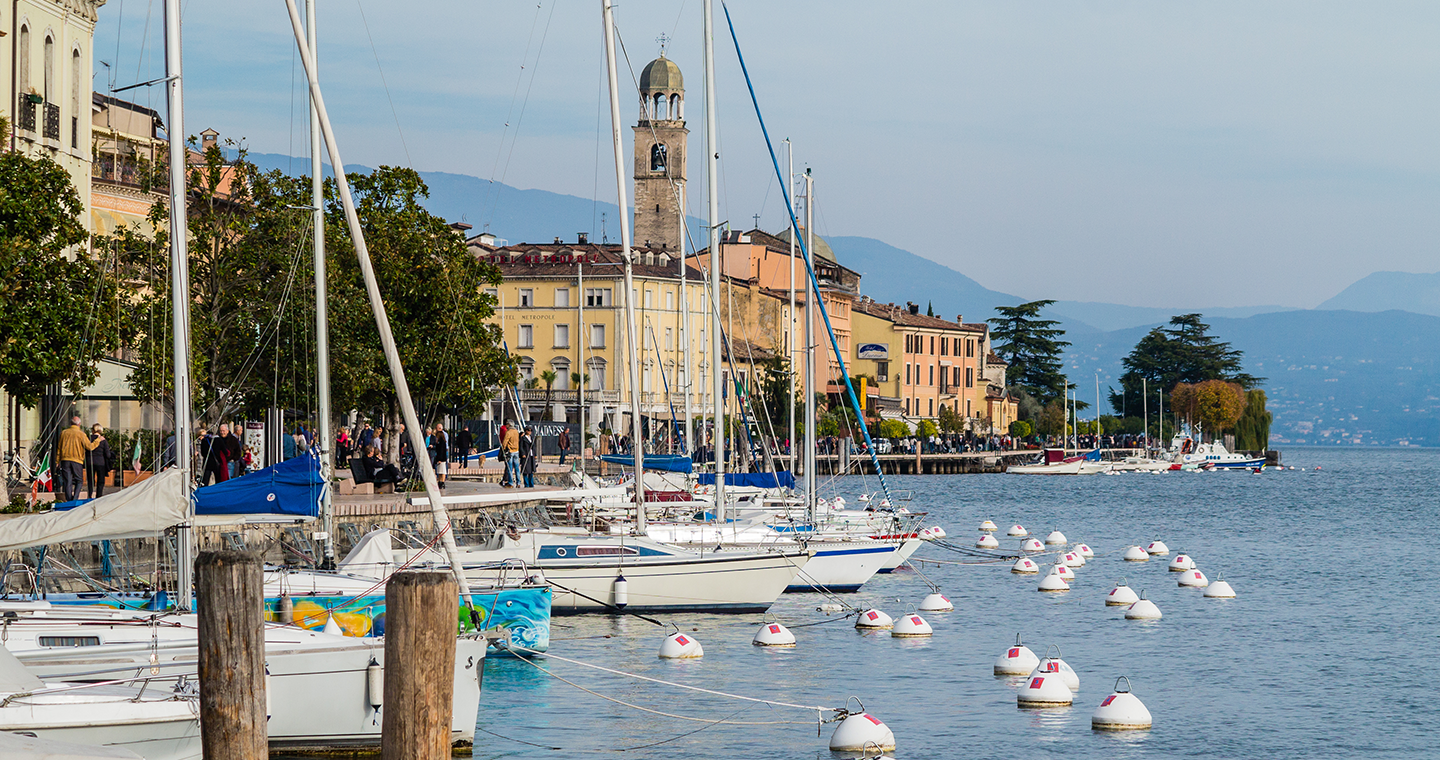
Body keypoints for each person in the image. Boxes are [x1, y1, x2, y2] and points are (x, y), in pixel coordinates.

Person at [57, 415, 102, 502]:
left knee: (68, 481)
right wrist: (98, 440)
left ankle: (69, 500)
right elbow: (90, 447)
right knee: (79, 481)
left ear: (71, 423)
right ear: (79, 424)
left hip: (65, 459)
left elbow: (59, 448)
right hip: (77, 460)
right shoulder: (81, 434)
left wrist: (57, 460)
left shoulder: (63, 433)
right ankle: (75, 499)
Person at [84, 423, 113, 500]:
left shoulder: (88, 439)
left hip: (90, 462)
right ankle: (98, 496)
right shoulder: (103, 440)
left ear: (93, 430)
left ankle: (89, 495)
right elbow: (108, 455)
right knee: (100, 481)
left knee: (90, 480)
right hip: (101, 463)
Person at [501, 421, 521, 487]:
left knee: (510, 468)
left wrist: (503, 449)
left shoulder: (508, 432)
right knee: (517, 468)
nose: (506, 426)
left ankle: (511, 483)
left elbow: (505, 442)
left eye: (506, 424)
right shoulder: (516, 431)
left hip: (510, 451)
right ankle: (518, 483)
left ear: (509, 425)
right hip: (516, 451)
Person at [431, 421, 449, 490]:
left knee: (442, 471)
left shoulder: (441, 443)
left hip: (441, 458)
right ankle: (441, 482)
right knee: (441, 471)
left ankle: (441, 482)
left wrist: (439, 459)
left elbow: (441, 451)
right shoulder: (442, 442)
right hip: (442, 458)